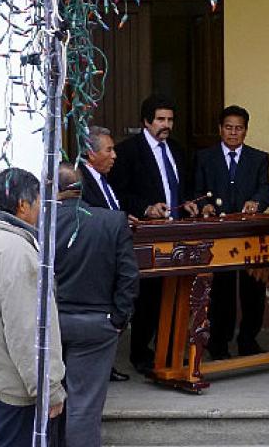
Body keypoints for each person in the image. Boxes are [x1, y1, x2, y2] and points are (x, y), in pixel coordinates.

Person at [108, 94, 197, 373]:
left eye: (170, 120)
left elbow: (182, 188)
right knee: (148, 295)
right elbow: (116, 193)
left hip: (176, 231)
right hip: (146, 234)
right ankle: (141, 353)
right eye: (160, 119)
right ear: (146, 121)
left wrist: (191, 203)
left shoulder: (178, 149)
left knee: (177, 290)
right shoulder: (128, 151)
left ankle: (169, 348)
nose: (166, 125)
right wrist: (146, 207)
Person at [53, 164, 139, 447]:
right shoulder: (112, 221)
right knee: (85, 406)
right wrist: (118, 318)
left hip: (52, 323)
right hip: (97, 323)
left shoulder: (42, 222)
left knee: (48, 399)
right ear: (83, 188)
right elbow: (128, 276)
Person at [0, 168, 65, 446]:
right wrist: (48, 389)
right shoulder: (17, 252)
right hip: (12, 391)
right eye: (40, 201)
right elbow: (27, 330)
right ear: (23, 205)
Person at [195, 106, 269, 358]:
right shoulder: (204, 157)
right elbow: (195, 190)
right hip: (218, 235)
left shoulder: (259, 157)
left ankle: (248, 340)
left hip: (249, 233)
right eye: (228, 127)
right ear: (220, 129)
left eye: (238, 128)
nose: (233, 132)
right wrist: (202, 205)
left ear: (246, 130)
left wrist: (257, 202)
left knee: (253, 287)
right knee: (222, 290)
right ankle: (218, 343)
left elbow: (266, 188)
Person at [77, 126, 133, 382]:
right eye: (109, 150)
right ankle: (100, 368)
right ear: (91, 153)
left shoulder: (102, 179)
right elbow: (87, 218)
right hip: (98, 261)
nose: (115, 156)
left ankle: (105, 366)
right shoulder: (81, 181)